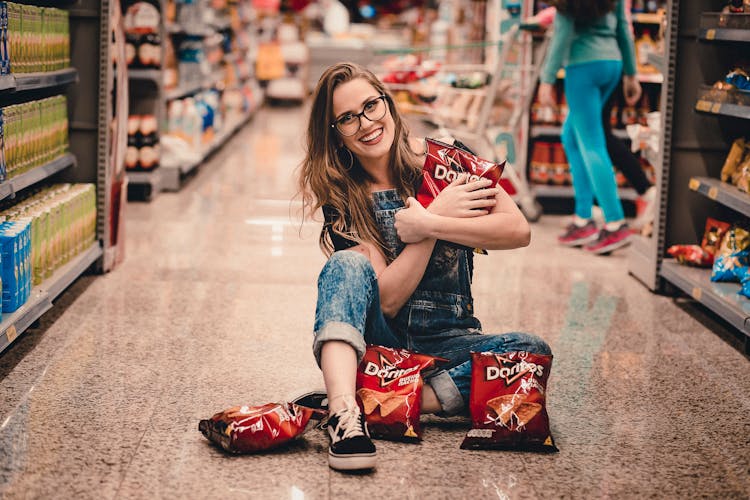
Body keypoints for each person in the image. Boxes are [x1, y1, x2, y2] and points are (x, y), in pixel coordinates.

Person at [296, 62, 551, 472]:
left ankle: (382, 399)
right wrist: (428, 229)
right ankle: (345, 415)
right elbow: (389, 299)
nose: (365, 124)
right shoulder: (344, 194)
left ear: (388, 102)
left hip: (448, 342)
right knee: (345, 265)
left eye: (370, 106)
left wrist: (430, 221)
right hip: (382, 343)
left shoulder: (448, 161)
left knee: (529, 350)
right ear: (335, 132)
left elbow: (517, 230)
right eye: (347, 118)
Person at [538, 0, 642, 253]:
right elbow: (622, 29)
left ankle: (615, 222)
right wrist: (631, 73)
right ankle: (583, 218)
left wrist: (547, 79)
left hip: (582, 66)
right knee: (571, 136)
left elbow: (561, 34)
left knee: (592, 144)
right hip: (612, 65)